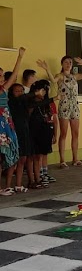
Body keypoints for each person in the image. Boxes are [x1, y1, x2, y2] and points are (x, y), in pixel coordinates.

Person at [56, 55, 82, 168]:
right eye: (66, 62)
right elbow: (54, 80)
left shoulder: (74, 76)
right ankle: (62, 160)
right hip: (64, 105)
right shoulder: (60, 76)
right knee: (63, 133)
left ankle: (75, 159)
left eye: (70, 63)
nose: (68, 64)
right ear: (62, 64)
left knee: (75, 133)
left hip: (75, 106)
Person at [0, 47, 25, 195]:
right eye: (0, 75)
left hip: (7, 124)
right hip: (1, 126)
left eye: (3, 75)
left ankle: (7, 186)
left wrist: (20, 57)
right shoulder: (2, 90)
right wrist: (20, 58)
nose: (3, 78)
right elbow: (14, 76)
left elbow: (14, 76)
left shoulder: (3, 89)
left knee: (8, 154)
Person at [27, 80, 57, 189]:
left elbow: (51, 118)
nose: (44, 93)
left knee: (40, 155)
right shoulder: (30, 102)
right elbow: (29, 113)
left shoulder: (46, 103)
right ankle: (33, 179)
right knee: (32, 157)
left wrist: (54, 133)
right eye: (43, 90)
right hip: (33, 132)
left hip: (44, 131)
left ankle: (40, 177)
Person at [8, 84, 31, 192]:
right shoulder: (11, 102)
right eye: (17, 91)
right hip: (14, 132)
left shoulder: (24, 103)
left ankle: (18, 184)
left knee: (23, 159)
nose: (20, 93)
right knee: (13, 160)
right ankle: (8, 185)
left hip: (24, 132)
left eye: (21, 91)